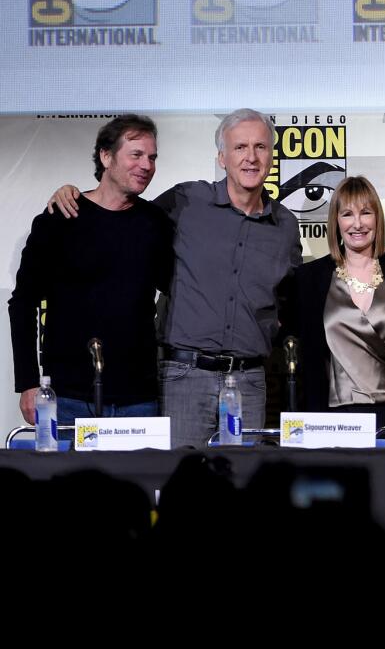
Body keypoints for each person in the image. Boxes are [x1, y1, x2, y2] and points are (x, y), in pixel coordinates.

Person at [49, 108, 302, 447]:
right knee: (179, 485)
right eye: (240, 147)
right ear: (222, 157)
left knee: (243, 489)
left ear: (272, 155)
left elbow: (295, 296)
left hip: (250, 380)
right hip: (185, 377)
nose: (251, 157)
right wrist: (72, 193)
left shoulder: (285, 226)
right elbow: (121, 212)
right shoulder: (186, 200)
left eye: (260, 147)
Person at [9, 115, 173, 427]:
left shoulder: (156, 223)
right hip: (68, 395)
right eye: (136, 155)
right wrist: (28, 383)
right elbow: (23, 302)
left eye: (152, 157)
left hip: (139, 398)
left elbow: (174, 289)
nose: (147, 165)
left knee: (140, 478)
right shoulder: (60, 218)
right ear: (106, 156)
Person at [287, 176, 385, 425]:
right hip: (331, 418)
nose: (358, 224)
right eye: (347, 214)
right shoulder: (309, 279)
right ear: (336, 222)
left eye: (366, 213)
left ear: (377, 219)